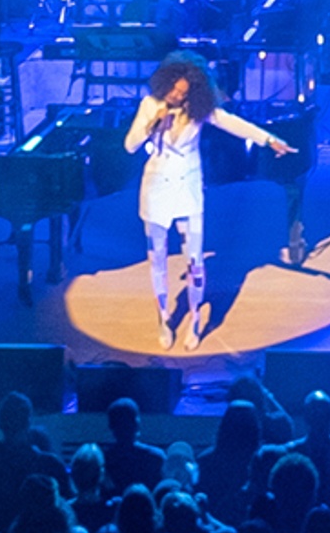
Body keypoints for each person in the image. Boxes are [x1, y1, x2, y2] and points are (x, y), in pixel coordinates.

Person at [120, 55, 292, 351]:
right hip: (156, 190)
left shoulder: (200, 110)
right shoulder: (150, 104)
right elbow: (130, 145)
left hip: (187, 190)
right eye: (173, 89)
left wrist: (269, 139)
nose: (176, 95)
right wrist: (153, 122)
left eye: (183, 92)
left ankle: (196, 318)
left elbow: (233, 123)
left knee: (195, 260)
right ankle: (164, 317)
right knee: (157, 257)